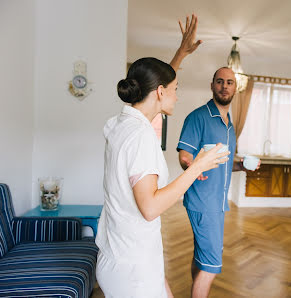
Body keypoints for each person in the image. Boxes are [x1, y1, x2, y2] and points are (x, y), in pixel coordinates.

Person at [95, 15, 230, 298]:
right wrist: (198, 167)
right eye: (175, 90)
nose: (177, 96)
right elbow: (150, 207)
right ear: (160, 92)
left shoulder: (120, 124)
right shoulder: (140, 137)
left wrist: (181, 53)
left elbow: (161, 82)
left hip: (124, 252)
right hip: (133, 268)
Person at [177, 67, 260, 297]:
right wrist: (192, 167)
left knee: (202, 258)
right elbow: (185, 155)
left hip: (217, 203)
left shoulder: (229, 124)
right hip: (204, 202)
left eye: (230, 82)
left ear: (235, 88)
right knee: (211, 266)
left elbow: (225, 162)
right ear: (212, 85)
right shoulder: (198, 117)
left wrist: (242, 165)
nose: (225, 86)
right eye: (220, 82)